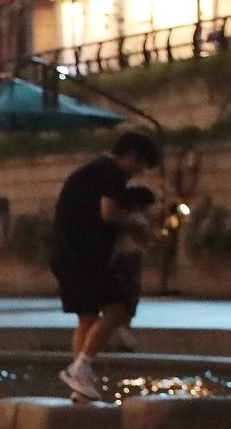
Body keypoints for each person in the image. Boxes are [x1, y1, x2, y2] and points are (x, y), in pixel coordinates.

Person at [49, 130, 162, 402]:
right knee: (117, 307)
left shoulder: (93, 169)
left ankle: (80, 384)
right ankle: (81, 368)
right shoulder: (111, 172)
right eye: (141, 166)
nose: (138, 173)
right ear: (132, 156)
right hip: (84, 255)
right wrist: (139, 225)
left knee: (87, 317)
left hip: (66, 253)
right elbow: (109, 213)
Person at [107, 186, 159, 353]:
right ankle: (125, 330)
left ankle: (121, 332)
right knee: (130, 296)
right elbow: (147, 238)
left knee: (121, 297)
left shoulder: (122, 220)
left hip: (117, 261)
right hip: (130, 261)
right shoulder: (137, 220)